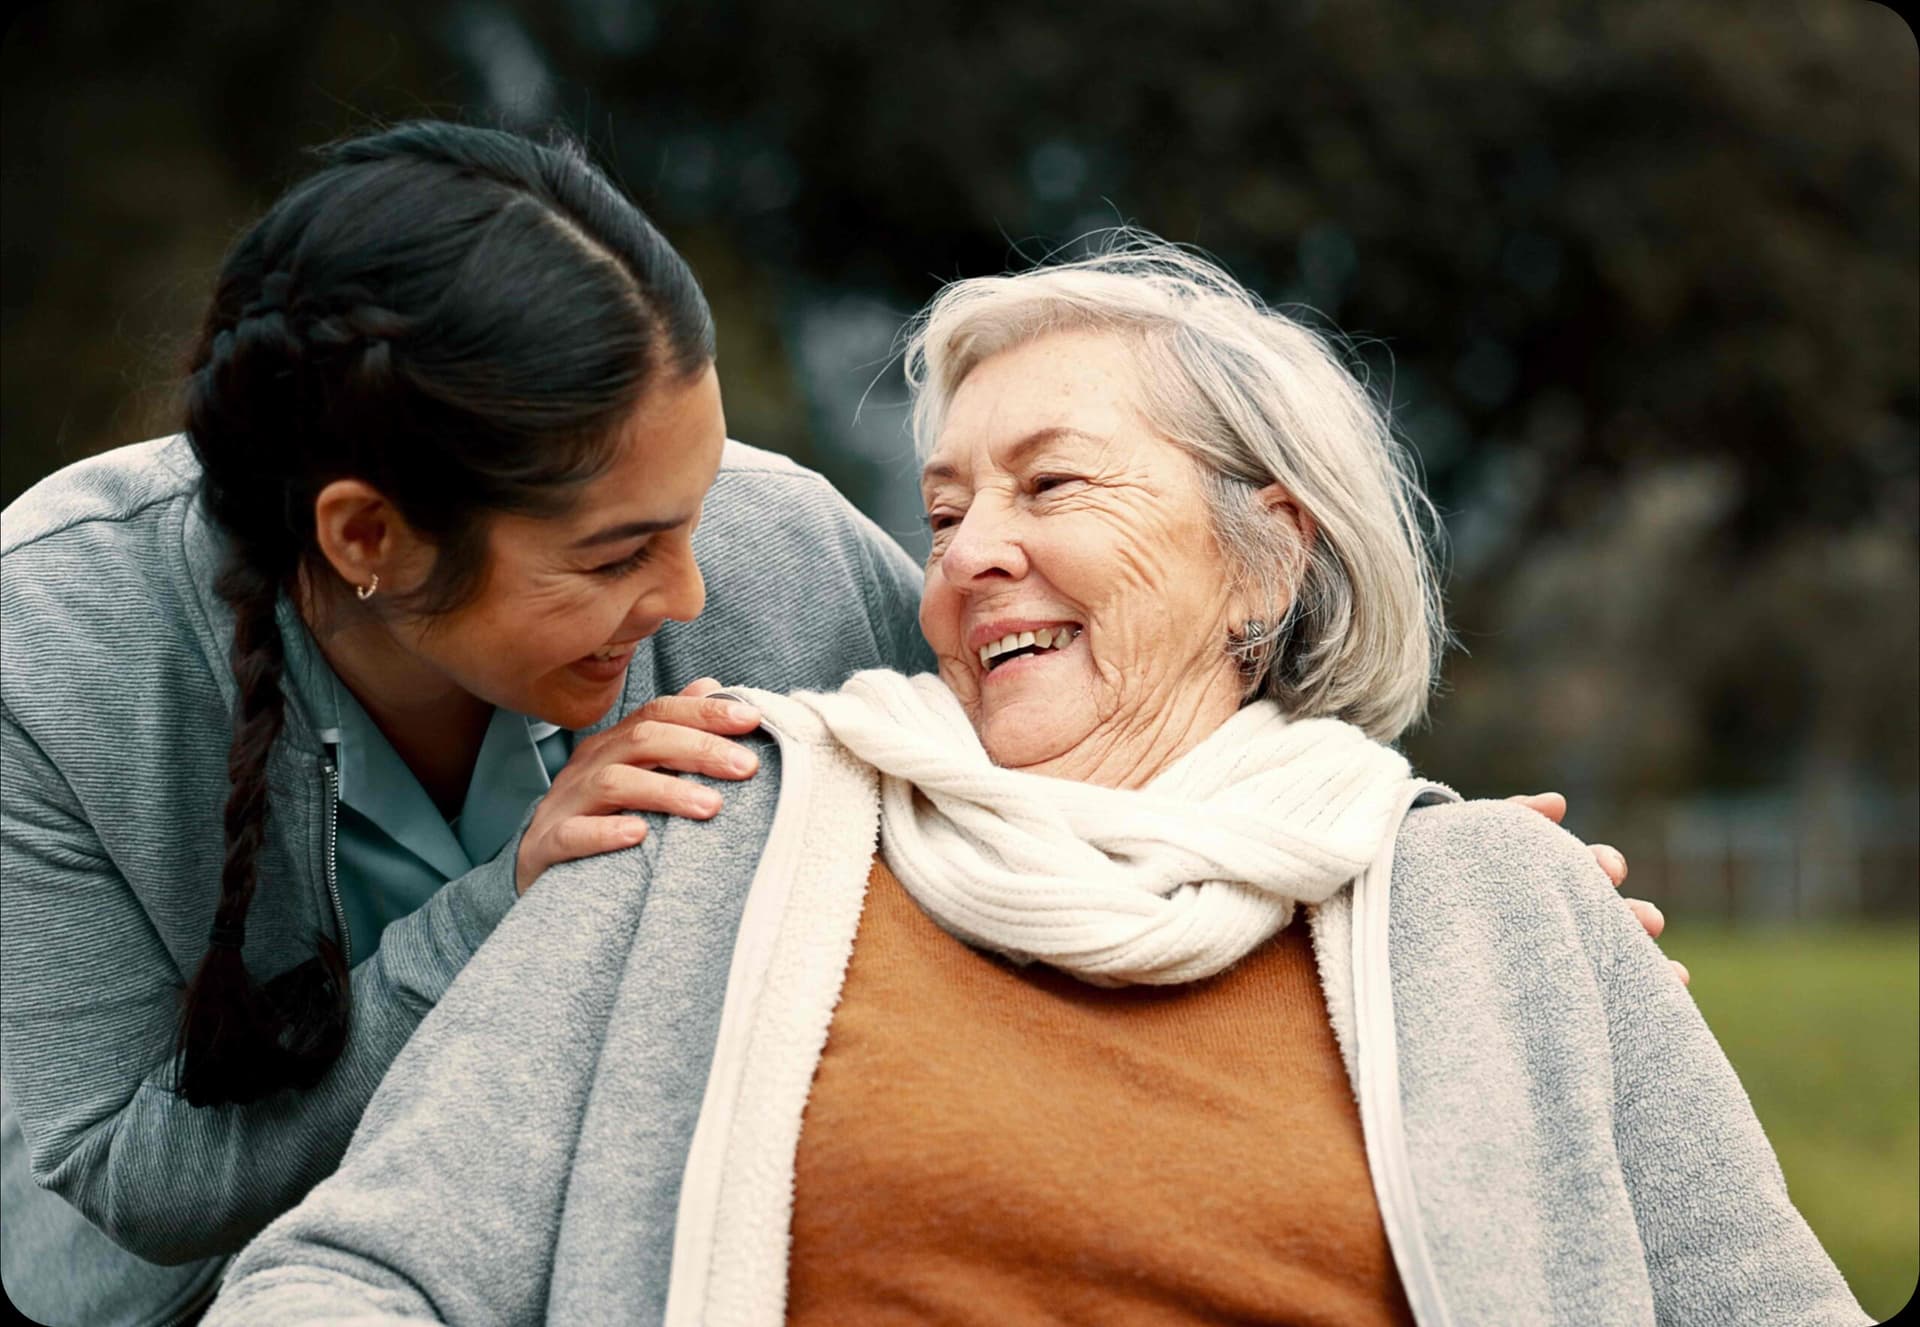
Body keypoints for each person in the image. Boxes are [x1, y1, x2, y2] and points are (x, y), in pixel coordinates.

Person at [205, 238, 1861, 1325]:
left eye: (1052, 482)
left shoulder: (1501, 908)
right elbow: (361, 1275)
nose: (974, 552)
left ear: (1263, 560)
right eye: (940, 512)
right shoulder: (722, 826)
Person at [0, 122, 937, 1327]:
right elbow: (135, 1175)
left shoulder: (787, 553)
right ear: (366, 539)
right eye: (615, 556)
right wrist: (509, 900)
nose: (690, 596)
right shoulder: (49, 640)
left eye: (695, 511)